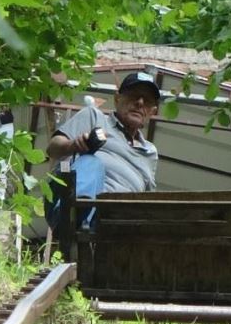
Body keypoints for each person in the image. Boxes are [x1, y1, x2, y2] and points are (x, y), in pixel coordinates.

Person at [45, 72, 161, 228]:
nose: (140, 102)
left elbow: (149, 199)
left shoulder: (150, 152)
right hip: (81, 202)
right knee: (91, 161)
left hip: (122, 219)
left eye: (147, 101)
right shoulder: (94, 117)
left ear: (152, 112)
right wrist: (73, 145)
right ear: (117, 98)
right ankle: (73, 213)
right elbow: (53, 148)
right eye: (134, 95)